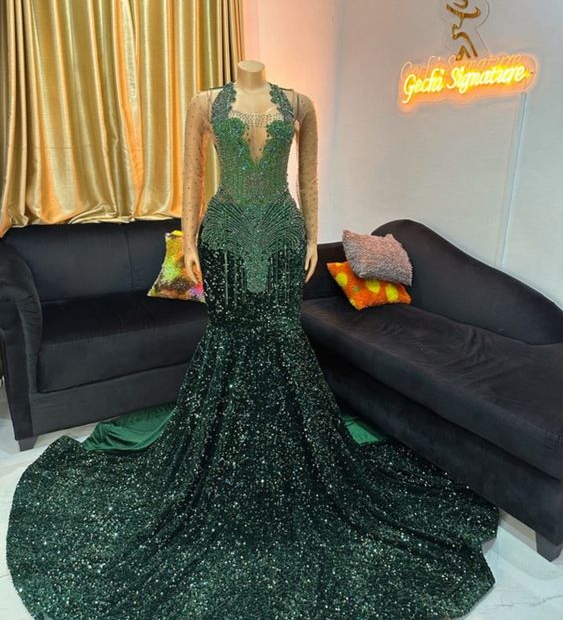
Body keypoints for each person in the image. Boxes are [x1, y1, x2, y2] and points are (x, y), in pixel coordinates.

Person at [5, 60, 498, 619]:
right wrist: (190, 242)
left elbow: (307, 179)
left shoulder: (300, 102)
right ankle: (222, 454)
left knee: (284, 337)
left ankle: (291, 456)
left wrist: (311, 239)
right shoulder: (204, 102)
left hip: (285, 236)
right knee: (230, 337)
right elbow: (192, 179)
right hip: (224, 236)